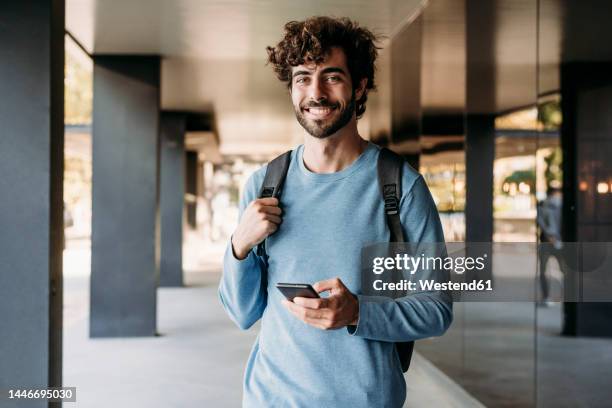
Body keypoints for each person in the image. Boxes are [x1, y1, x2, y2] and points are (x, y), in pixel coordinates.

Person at [218, 16, 453, 407]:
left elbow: (436, 310)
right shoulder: (263, 185)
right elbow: (242, 314)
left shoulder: (400, 186)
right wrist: (239, 245)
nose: (316, 92)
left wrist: (358, 312)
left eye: (332, 77)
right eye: (302, 78)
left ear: (360, 86)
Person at [536, 186, 563, 305]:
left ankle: (550, 297)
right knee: (544, 270)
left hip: (555, 241)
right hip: (551, 241)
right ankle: (548, 296)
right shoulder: (544, 205)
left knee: (549, 270)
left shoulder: (547, 205)